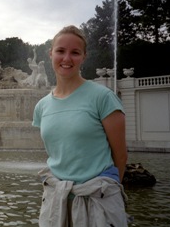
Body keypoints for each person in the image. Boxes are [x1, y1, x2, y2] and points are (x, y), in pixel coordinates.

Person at [32, 25, 128, 227]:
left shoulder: (103, 97)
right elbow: (57, 153)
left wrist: (106, 191)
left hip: (98, 199)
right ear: (51, 54)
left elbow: (120, 155)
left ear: (83, 57)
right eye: (60, 51)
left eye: (75, 52)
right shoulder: (42, 106)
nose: (67, 59)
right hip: (55, 200)